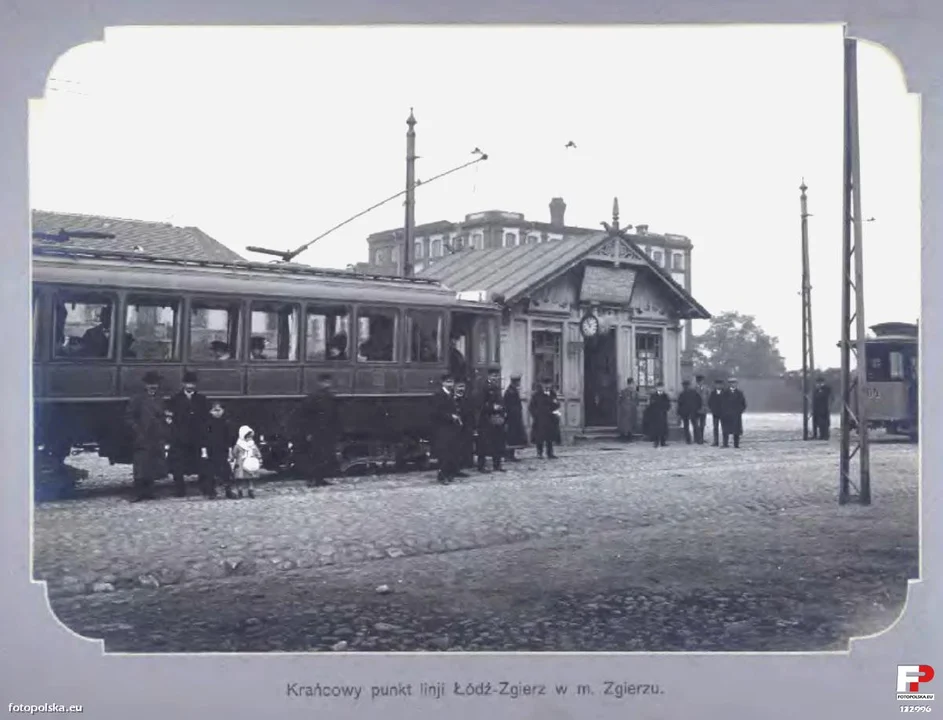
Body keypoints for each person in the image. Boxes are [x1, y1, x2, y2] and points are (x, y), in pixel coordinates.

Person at [124, 370, 169, 502]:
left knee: (153, 463)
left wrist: (163, 426)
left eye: (155, 384)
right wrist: (137, 429)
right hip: (142, 435)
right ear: (145, 385)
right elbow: (129, 417)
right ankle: (138, 492)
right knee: (140, 464)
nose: (153, 386)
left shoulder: (160, 399)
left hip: (156, 435)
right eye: (150, 384)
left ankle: (150, 491)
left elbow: (163, 415)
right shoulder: (137, 399)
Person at [166, 370, 210, 497]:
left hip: (197, 436)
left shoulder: (202, 399)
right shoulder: (175, 399)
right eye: (187, 383)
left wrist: (203, 433)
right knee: (178, 464)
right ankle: (179, 489)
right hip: (180, 437)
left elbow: (206, 418)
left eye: (192, 383)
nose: (190, 386)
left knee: (200, 462)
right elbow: (170, 419)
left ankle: (204, 487)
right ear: (183, 384)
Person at [297, 373, 339, 487]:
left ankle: (319, 478)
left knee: (323, 455)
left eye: (328, 382)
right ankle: (312, 479)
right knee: (315, 455)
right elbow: (306, 415)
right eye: (325, 382)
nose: (327, 384)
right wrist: (308, 431)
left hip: (325, 430)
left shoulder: (329, 396)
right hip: (317, 430)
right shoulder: (314, 397)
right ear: (320, 383)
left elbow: (333, 415)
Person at [431, 372, 462, 484]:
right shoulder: (438, 395)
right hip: (442, 427)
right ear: (442, 383)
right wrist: (450, 416)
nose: (450, 384)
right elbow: (436, 412)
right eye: (448, 382)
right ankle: (442, 475)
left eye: (452, 382)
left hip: (452, 427)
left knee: (452, 450)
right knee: (444, 452)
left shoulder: (452, 394)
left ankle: (449, 474)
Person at [477, 370, 508, 473]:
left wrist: (503, 411)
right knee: (484, 444)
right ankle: (481, 465)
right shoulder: (483, 387)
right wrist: (492, 407)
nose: (496, 378)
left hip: (497, 418)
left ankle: (497, 464)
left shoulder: (496, 387)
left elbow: (501, 401)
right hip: (486, 419)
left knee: (498, 442)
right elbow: (480, 403)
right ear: (489, 375)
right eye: (494, 375)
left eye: (497, 376)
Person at [203, 400, 235, 499]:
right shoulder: (207, 423)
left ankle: (228, 490)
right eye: (214, 410)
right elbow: (203, 437)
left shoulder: (226, 422)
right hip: (211, 450)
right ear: (210, 411)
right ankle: (211, 492)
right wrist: (204, 451)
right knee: (210, 471)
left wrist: (230, 450)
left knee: (226, 471)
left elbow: (229, 437)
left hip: (223, 449)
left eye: (219, 410)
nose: (217, 413)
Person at [528, 378, 559, 459]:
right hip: (540, 419)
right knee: (539, 437)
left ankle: (550, 453)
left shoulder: (553, 394)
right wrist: (536, 415)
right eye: (545, 384)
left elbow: (556, 405)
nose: (547, 386)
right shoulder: (536, 395)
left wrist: (555, 411)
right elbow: (531, 407)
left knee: (550, 437)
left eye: (549, 384)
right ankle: (539, 453)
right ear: (541, 385)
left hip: (550, 419)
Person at [231, 425, 263, 498]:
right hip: (241, 464)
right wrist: (234, 458)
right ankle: (240, 490)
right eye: (248, 437)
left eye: (250, 437)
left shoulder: (252, 445)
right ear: (243, 436)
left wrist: (259, 457)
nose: (249, 438)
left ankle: (251, 489)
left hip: (250, 463)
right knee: (240, 478)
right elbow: (234, 453)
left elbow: (257, 452)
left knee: (250, 478)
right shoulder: (238, 445)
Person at [503, 374, 528, 461]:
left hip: (515, 418)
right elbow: (507, 405)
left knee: (514, 437)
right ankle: (508, 455)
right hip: (511, 418)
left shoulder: (513, 391)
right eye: (518, 382)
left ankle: (511, 455)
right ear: (514, 382)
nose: (519, 384)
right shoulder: (510, 392)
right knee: (510, 437)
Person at [453, 380, 476, 475]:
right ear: (454, 387)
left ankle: (460, 467)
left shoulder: (466, 400)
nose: (461, 389)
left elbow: (470, 414)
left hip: (465, 428)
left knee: (462, 448)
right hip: (454, 428)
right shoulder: (451, 399)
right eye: (459, 386)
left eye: (463, 387)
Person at [720, 377, 748, 448]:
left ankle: (736, 444)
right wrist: (724, 412)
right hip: (727, 415)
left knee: (736, 431)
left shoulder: (739, 393)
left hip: (736, 415)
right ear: (729, 384)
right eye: (731, 383)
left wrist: (739, 411)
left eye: (734, 383)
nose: (733, 384)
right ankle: (725, 444)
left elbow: (743, 404)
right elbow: (722, 403)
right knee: (726, 430)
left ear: (736, 384)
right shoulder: (724, 393)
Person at [676, 380, 702, 444]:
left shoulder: (694, 393)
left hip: (693, 411)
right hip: (685, 412)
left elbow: (699, 401)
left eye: (686, 385)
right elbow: (679, 404)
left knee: (695, 426)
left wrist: (697, 409)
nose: (685, 387)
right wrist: (679, 412)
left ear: (688, 386)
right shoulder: (682, 394)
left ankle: (697, 439)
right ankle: (689, 440)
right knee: (687, 426)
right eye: (684, 386)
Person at [648, 382, 671, 448]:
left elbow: (668, 404)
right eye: (659, 387)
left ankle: (663, 441)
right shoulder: (653, 395)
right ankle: (656, 441)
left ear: (663, 388)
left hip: (663, 414)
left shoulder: (665, 396)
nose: (660, 388)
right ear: (656, 388)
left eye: (661, 387)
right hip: (655, 415)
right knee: (656, 428)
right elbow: (651, 404)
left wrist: (665, 410)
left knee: (663, 428)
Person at [812, 376, 833, 441]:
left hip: (824, 409)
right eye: (817, 383)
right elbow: (815, 399)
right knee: (818, 423)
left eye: (819, 383)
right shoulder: (816, 390)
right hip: (817, 409)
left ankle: (825, 435)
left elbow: (829, 397)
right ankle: (820, 435)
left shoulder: (826, 389)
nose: (818, 385)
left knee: (824, 423)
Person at [707, 378, 726, 447]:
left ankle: (725, 442)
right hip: (715, 413)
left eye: (720, 385)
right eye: (717, 385)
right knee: (715, 427)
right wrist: (712, 409)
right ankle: (716, 441)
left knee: (724, 428)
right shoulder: (713, 393)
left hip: (724, 413)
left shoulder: (725, 393)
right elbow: (710, 402)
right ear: (715, 385)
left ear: (722, 385)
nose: (718, 386)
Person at [693, 375, 711, 444]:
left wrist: (708, 406)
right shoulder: (694, 389)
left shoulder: (706, 389)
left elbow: (709, 397)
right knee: (696, 424)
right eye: (699, 381)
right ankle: (696, 438)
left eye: (701, 381)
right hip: (696, 409)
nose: (700, 382)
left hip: (704, 408)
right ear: (697, 382)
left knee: (702, 424)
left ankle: (701, 438)